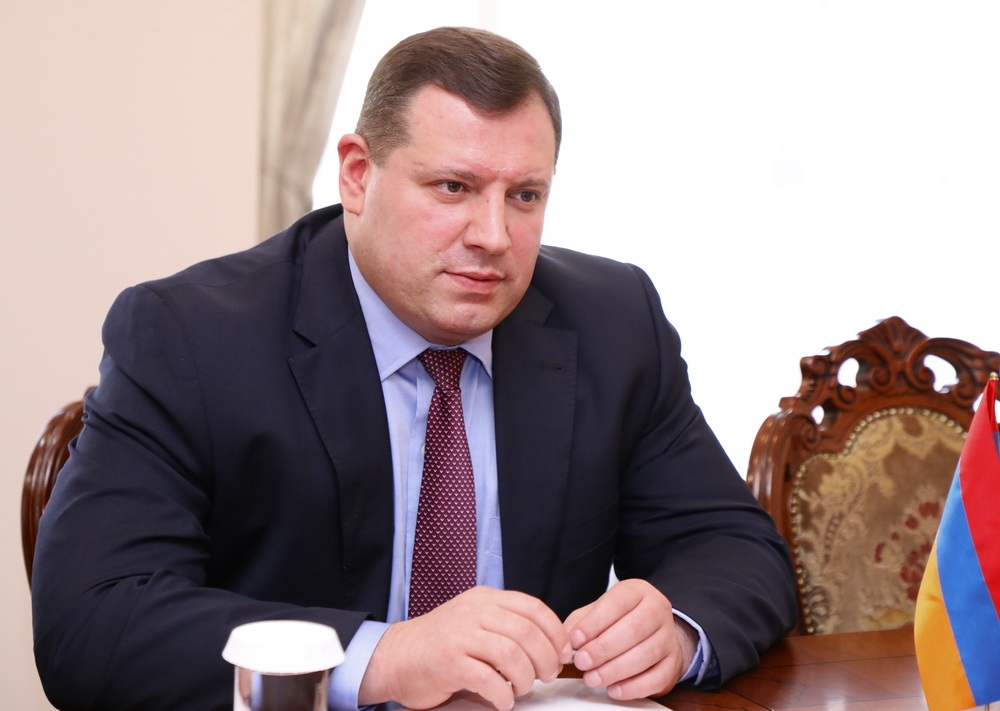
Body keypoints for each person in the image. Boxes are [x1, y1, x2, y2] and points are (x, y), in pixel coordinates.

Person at [31, 26, 797, 711]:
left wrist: (675, 628)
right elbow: (91, 620)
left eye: (524, 195)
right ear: (357, 175)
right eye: (453, 187)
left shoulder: (613, 322)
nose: (493, 234)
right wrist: (381, 657)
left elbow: (735, 548)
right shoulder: (193, 336)